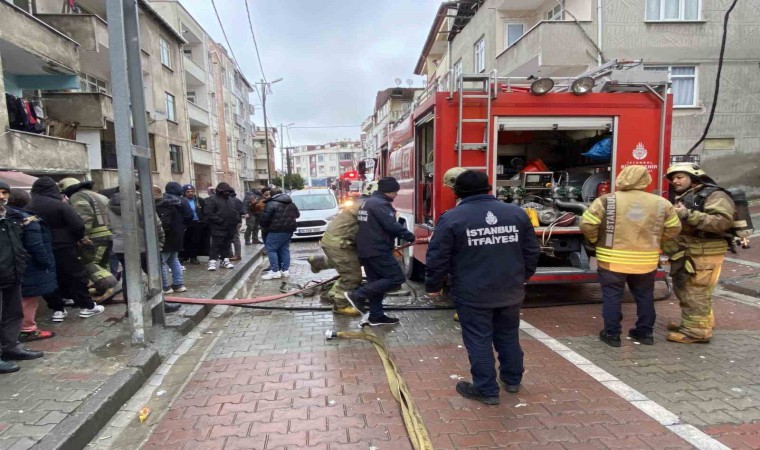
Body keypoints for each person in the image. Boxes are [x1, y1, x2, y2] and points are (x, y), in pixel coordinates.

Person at [425, 170, 540, 405]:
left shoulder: (452, 218)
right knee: (508, 335)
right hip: (510, 289)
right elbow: (531, 251)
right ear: (488, 188)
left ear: (457, 191)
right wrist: (523, 276)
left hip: (473, 292)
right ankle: (512, 380)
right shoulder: (516, 213)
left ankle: (486, 389)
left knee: (478, 339)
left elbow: (437, 257)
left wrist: (433, 286)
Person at [580, 165, 682, 347]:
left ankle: (612, 335)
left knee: (612, 296)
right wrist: (656, 239)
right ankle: (644, 333)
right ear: (646, 180)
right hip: (646, 261)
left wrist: (596, 240)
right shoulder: (661, 203)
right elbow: (674, 228)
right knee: (645, 296)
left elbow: (587, 224)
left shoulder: (606, 201)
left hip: (612, 261)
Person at [662, 162, 735, 344]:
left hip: (704, 253)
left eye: (680, 177)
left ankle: (696, 332)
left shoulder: (715, 195)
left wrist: (688, 215)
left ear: (694, 178)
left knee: (695, 292)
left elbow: (721, 222)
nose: (675, 182)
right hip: (690, 251)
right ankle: (695, 323)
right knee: (685, 288)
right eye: (673, 179)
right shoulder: (689, 195)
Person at [28, 177, 104, 321]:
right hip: (64, 245)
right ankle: (86, 306)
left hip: (40, 246)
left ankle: (57, 310)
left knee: (49, 276)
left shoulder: (28, 206)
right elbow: (77, 225)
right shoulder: (60, 205)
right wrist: (78, 238)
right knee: (75, 275)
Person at [344, 177, 416, 326]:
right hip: (378, 250)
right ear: (390, 191)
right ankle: (358, 294)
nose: (396, 195)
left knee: (376, 283)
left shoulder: (368, 202)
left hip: (366, 249)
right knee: (397, 278)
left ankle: (376, 316)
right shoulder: (380, 205)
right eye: (396, 191)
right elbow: (391, 225)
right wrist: (410, 236)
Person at [308, 182, 379, 316]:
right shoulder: (368, 206)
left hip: (337, 241)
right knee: (352, 277)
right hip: (340, 244)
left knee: (355, 262)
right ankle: (339, 305)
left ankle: (320, 262)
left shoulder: (362, 203)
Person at [0, 181, 44, 374]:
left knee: (13, 313)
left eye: (4, 193)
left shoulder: (9, 217)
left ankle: (11, 348)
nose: (2, 196)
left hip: (12, 273)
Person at [6, 189, 57, 342]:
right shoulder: (27, 220)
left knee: (16, 298)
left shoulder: (8, 217)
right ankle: (27, 329)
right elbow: (36, 245)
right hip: (29, 265)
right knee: (29, 298)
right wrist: (46, 262)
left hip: (12, 263)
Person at [58, 178, 118, 299]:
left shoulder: (78, 196)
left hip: (94, 237)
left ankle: (110, 285)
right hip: (109, 235)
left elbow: (84, 216)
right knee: (102, 264)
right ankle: (103, 289)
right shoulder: (99, 196)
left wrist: (82, 236)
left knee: (89, 263)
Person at [260, 188, 300, 280]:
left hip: (275, 230)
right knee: (284, 249)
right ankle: (285, 270)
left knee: (271, 249)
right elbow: (297, 215)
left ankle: (275, 271)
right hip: (289, 230)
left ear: (272, 195)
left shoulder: (271, 203)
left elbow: (265, 219)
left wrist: (263, 226)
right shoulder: (291, 203)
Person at [155, 185, 187, 294]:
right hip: (176, 236)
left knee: (161, 262)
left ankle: (165, 287)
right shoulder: (175, 203)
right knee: (174, 260)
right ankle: (179, 284)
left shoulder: (160, 206)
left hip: (166, 238)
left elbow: (163, 224)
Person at [204, 182, 241, 271]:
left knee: (227, 244)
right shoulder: (212, 199)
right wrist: (219, 220)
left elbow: (235, 211)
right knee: (216, 244)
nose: (226, 193)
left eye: (227, 191)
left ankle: (225, 260)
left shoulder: (231, 200)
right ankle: (212, 261)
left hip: (230, 226)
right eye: (224, 191)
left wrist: (236, 220)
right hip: (218, 227)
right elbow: (208, 212)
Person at [180, 184, 208, 265]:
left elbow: (205, 211)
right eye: (188, 192)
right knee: (184, 240)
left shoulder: (199, 201)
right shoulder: (182, 201)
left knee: (195, 241)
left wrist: (204, 220)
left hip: (197, 223)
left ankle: (193, 257)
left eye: (192, 191)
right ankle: (183, 256)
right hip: (186, 223)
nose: (190, 193)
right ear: (184, 192)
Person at [230, 190, 247, 261]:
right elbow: (243, 211)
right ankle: (231, 254)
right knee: (231, 238)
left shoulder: (231, 200)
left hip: (234, 222)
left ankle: (236, 255)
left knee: (234, 238)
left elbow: (242, 211)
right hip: (236, 221)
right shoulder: (236, 200)